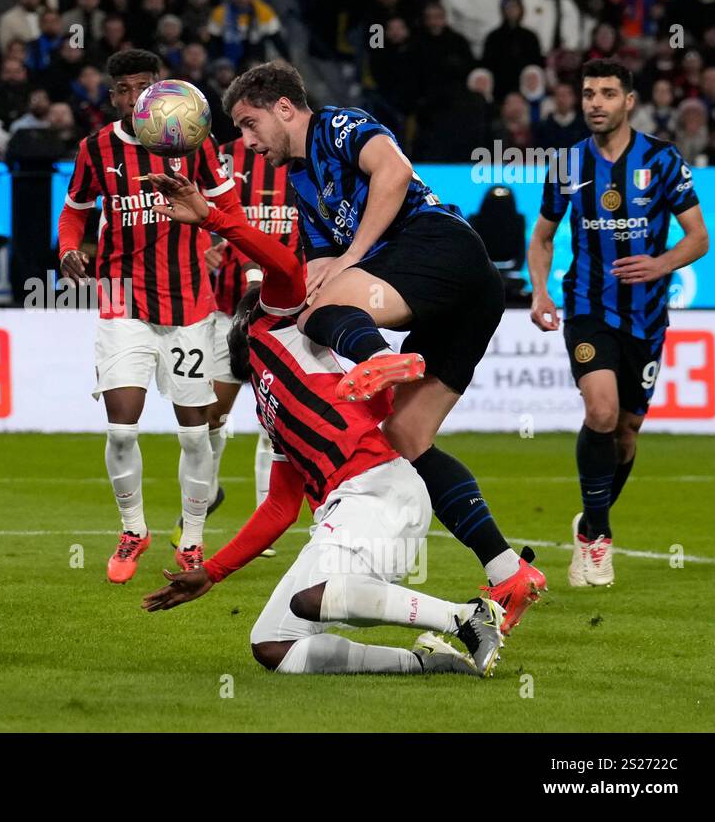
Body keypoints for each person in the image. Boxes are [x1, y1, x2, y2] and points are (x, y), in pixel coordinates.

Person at [221, 61, 546, 634]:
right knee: (405, 437)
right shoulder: (300, 183)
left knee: (323, 312)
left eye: (250, 124)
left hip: (443, 246)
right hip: (472, 298)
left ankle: (375, 359)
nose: (247, 142)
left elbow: (393, 174)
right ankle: (508, 571)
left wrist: (351, 260)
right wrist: (307, 283)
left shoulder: (339, 125)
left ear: (285, 108)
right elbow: (319, 264)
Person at [142, 173, 504, 677]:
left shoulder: (283, 323)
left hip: (380, 490)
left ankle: (468, 618)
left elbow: (281, 262)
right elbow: (279, 508)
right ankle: (426, 664)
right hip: (341, 512)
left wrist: (212, 219)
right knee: (273, 646)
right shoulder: (269, 406)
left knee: (315, 597)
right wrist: (214, 572)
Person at [56, 49, 242, 582]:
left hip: (188, 306)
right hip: (122, 301)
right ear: (112, 94)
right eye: (123, 88)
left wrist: (223, 240)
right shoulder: (94, 149)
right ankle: (133, 529)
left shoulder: (194, 143)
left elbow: (227, 205)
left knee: (193, 434)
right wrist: (69, 248)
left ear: (161, 88)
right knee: (120, 428)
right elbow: (75, 211)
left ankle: (193, 540)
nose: (134, 96)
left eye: (144, 85)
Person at [528, 59, 709, 587]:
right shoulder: (567, 165)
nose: (595, 102)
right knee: (602, 412)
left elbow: (698, 238)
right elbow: (541, 238)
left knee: (626, 434)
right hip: (586, 309)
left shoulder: (662, 159)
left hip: (647, 317)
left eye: (607, 93)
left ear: (629, 101)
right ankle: (596, 539)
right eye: (588, 93)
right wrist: (539, 291)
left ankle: (591, 520)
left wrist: (660, 263)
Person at [169, 138, 297, 559]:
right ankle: (202, 500)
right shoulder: (220, 157)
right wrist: (204, 249)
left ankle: (265, 525)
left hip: (289, 313)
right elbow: (190, 217)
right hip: (229, 311)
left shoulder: (306, 163)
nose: (254, 131)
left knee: (274, 422)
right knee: (211, 418)